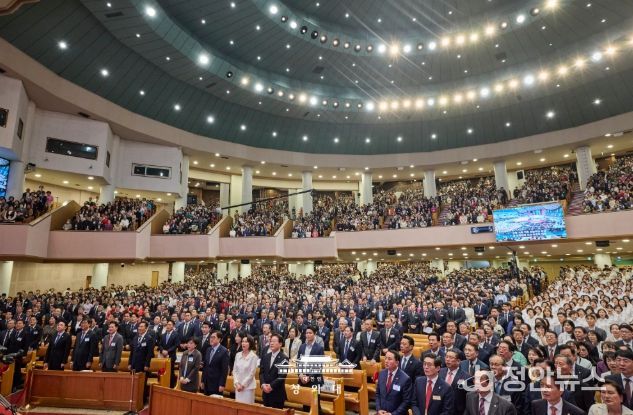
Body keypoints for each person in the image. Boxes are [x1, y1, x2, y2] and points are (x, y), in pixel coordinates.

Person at [375, 350, 412, 415]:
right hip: (381, 412)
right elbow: (378, 394)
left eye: (389, 359)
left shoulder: (405, 379)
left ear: (397, 363)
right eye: (385, 358)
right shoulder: (381, 373)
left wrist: (393, 414)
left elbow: (406, 401)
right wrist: (379, 409)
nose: (386, 361)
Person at [260, 333, 287, 408]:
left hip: (277, 395)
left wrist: (271, 386)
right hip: (265, 393)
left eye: (274, 341)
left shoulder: (284, 358)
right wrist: (263, 384)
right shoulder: (266, 356)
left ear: (280, 344)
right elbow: (261, 372)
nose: (271, 343)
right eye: (271, 341)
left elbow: (282, 376)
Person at [202, 331, 229, 396]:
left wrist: (222, 384)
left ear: (219, 339)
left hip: (216, 384)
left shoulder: (224, 351)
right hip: (207, 383)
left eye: (213, 337)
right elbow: (205, 367)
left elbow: (224, 370)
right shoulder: (208, 349)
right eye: (211, 337)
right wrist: (202, 381)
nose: (211, 339)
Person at [233, 334, 258, 404]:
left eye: (246, 342)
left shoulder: (253, 356)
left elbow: (251, 373)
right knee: (238, 406)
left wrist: (242, 385)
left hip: (248, 388)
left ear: (250, 344)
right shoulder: (238, 355)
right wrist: (236, 383)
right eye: (243, 341)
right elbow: (234, 370)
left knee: (247, 408)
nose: (243, 343)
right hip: (238, 387)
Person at [159, 320, 180, 387]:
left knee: (170, 372)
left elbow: (176, 345)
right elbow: (160, 344)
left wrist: (167, 351)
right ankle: (162, 384)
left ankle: (170, 386)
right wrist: (162, 350)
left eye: (170, 325)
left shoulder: (176, 334)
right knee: (161, 371)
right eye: (167, 324)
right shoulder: (163, 335)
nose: (168, 326)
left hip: (171, 356)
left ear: (173, 326)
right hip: (163, 355)